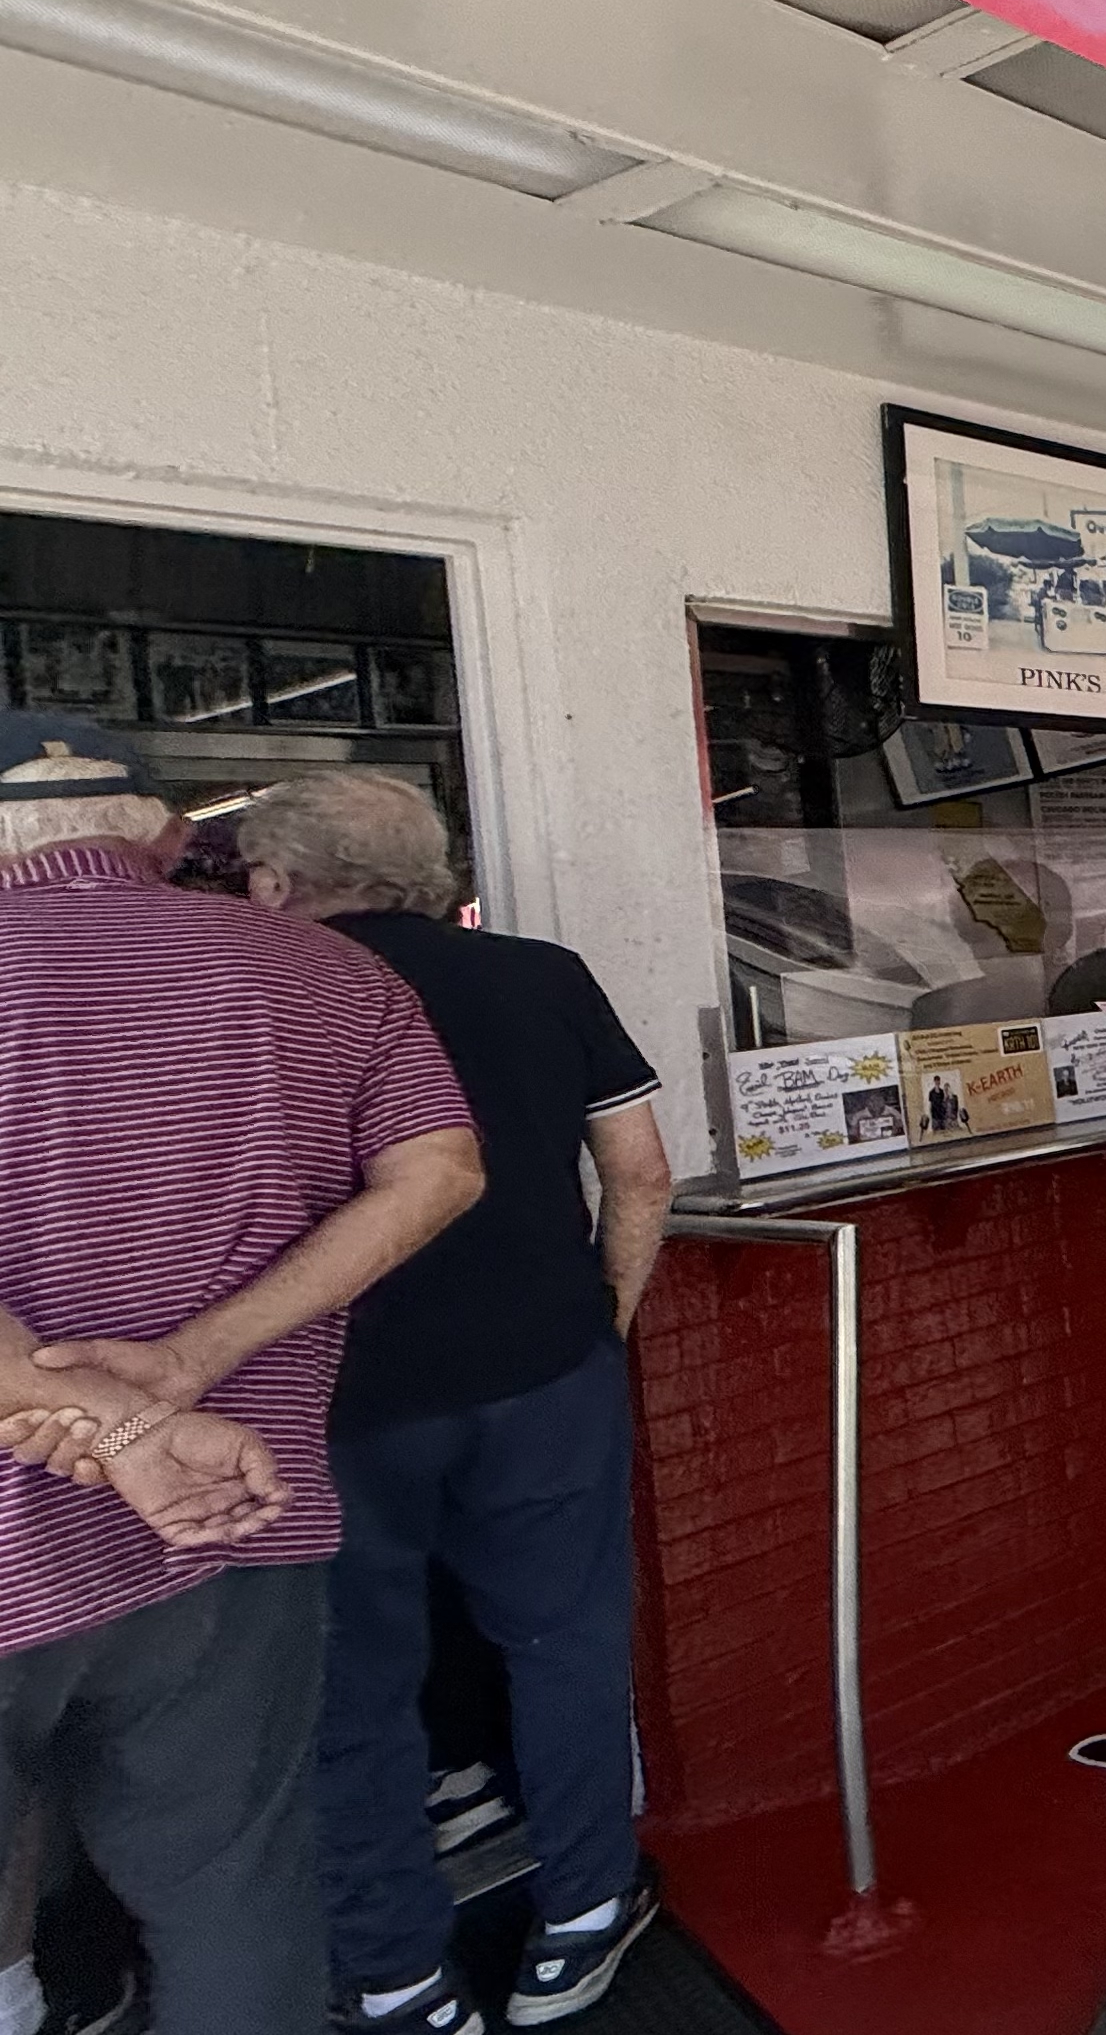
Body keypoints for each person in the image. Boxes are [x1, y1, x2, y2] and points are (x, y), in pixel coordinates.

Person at [0, 714, 487, 2033]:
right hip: (229, 1519)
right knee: (233, 1892)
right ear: (168, 836)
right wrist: (190, 1364)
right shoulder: (329, 972)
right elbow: (442, 1173)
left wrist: (103, 1419)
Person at [238, 775, 676, 2032]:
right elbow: (640, 1174)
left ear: (277, 880)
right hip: (544, 1372)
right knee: (565, 1644)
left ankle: (401, 1979)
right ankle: (583, 1914)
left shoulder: (250, 992)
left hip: (330, 1399)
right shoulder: (542, 975)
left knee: (351, 1684)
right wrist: (602, 1318)